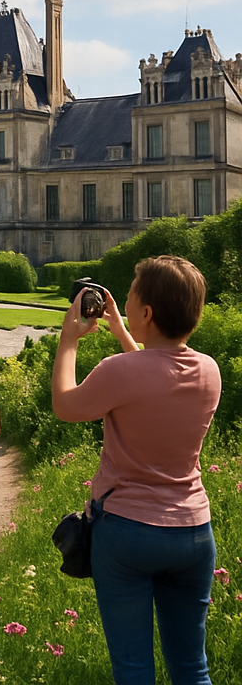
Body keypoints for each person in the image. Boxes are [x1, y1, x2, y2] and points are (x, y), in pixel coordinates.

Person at [51, 256, 221, 685]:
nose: (122, 303)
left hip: (128, 533)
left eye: (128, 298)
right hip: (193, 533)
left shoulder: (119, 371)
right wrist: (123, 334)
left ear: (147, 312)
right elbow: (156, 375)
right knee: (192, 667)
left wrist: (68, 340)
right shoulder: (209, 371)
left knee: (134, 671)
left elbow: (65, 406)